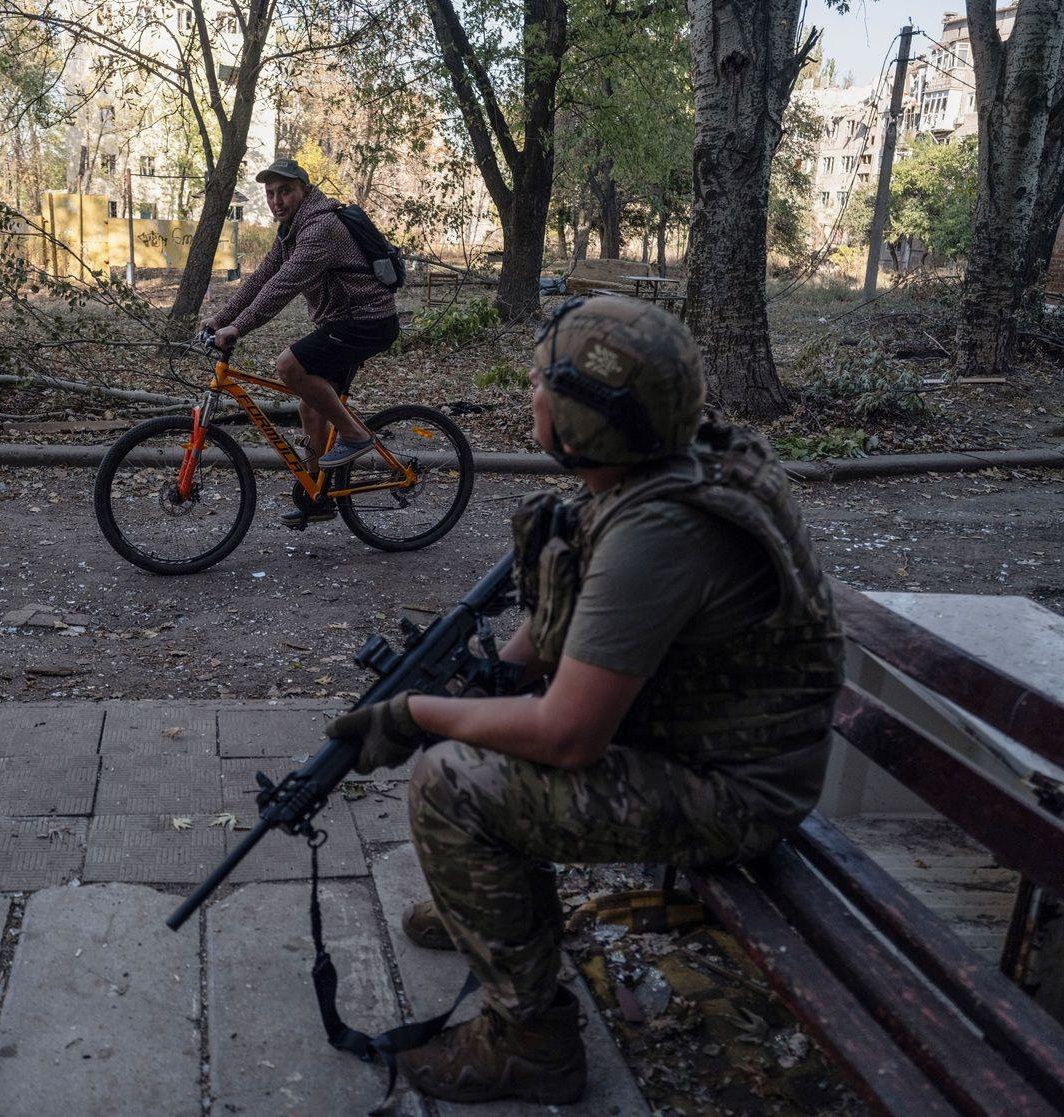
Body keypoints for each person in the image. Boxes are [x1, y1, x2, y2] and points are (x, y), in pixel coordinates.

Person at [326, 295, 845, 1105]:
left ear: (580, 420)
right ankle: (492, 910)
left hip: (735, 793)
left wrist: (415, 715)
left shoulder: (660, 534)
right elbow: (566, 622)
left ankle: (529, 1041)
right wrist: (481, 678)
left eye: (539, 381)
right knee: (483, 729)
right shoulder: (661, 465)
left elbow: (567, 735)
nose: (528, 393)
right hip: (707, 747)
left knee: (451, 781)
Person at [202, 158, 401, 528]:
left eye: (285, 191)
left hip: (367, 321)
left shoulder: (320, 228)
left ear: (304, 191)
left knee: (289, 366)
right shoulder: (290, 230)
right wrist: (221, 319)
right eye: (271, 194)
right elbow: (262, 276)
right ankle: (319, 498)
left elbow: (282, 287)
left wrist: (238, 328)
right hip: (342, 321)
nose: (277, 201)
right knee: (311, 409)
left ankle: (355, 435)